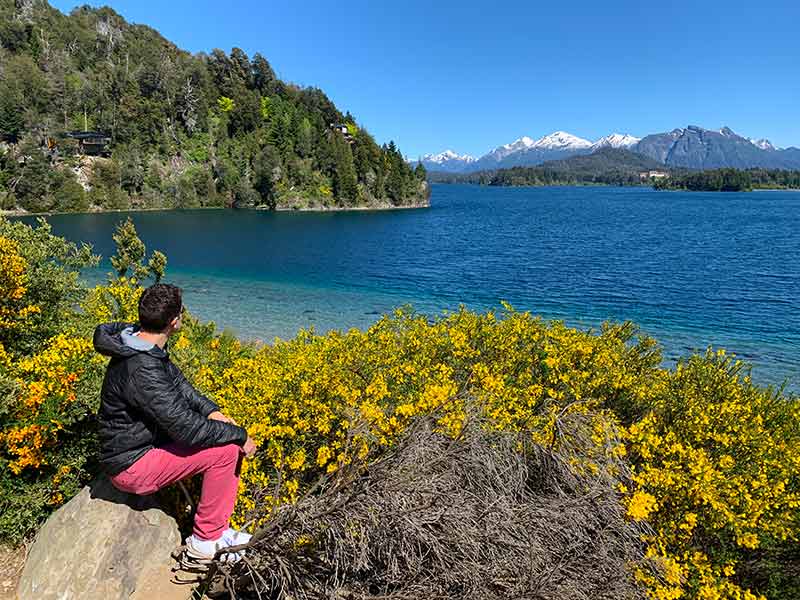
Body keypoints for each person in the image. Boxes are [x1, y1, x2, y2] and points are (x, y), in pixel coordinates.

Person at [93, 283, 257, 561]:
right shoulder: (142, 368)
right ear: (175, 322)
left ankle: (214, 526)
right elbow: (186, 429)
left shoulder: (138, 342)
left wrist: (212, 411)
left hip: (139, 445)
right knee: (227, 451)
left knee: (220, 433)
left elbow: (181, 385)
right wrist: (239, 435)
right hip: (131, 464)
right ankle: (207, 538)